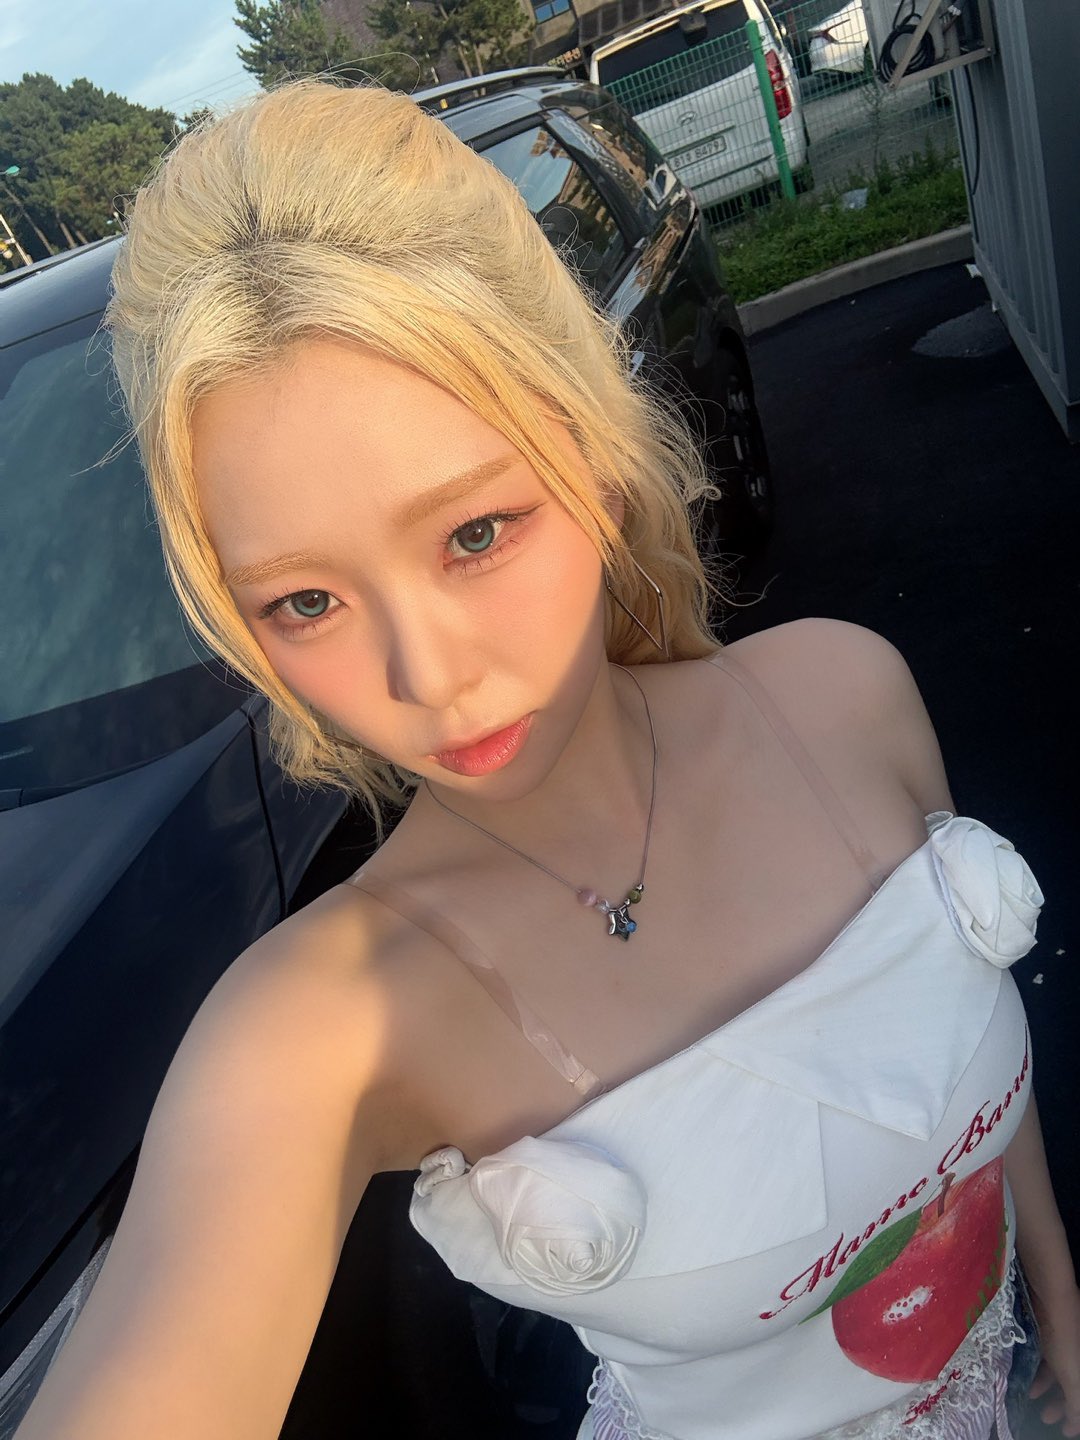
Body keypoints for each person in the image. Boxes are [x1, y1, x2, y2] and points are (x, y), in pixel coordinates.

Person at [15, 78, 1080, 1440]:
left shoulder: (846, 697)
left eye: (474, 534)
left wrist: (1055, 1283)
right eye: (306, 602)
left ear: (588, 446)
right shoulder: (328, 1024)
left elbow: (971, 1057)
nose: (426, 677)